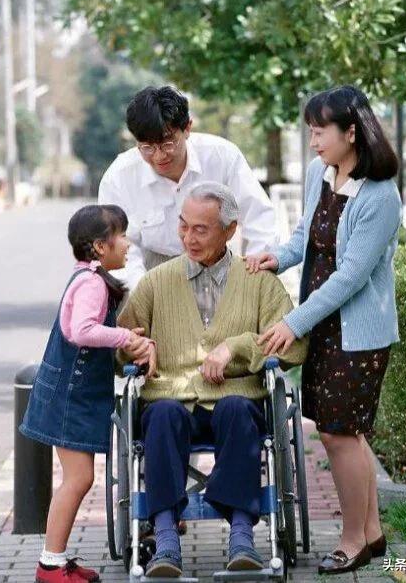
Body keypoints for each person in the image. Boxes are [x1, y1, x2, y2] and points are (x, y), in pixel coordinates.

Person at [245, 85, 402, 575]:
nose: (312, 142)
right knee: (345, 433)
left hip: (357, 333)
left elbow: (352, 275)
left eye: (319, 132)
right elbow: (304, 237)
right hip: (321, 322)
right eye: (309, 132)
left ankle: (353, 537)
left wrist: (293, 322)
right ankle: (373, 532)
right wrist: (279, 256)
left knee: (339, 435)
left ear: (351, 132)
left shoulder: (380, 196)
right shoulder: (321, 173)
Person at [117, 182, 308, 579]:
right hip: (171, 396)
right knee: (164, 414)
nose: (189, 237)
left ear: (230, 230)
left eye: (201, 229)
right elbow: (123, 343)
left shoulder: (258, 280)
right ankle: (166, 538)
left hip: (234, 397)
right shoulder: (156, 281)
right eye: (183, 226)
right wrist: (138, 346)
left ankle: (241, 534)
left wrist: (237, 347)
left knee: (238, 409)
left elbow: (293, 347)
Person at [20, 205, 154, 583]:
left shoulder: (89, 277)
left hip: (71, 395)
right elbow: (82, 331)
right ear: (99, 246)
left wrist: (127, 340)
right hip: (69, 397)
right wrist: (126, 337)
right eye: (122, 235)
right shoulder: (92, 283)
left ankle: (55, 559)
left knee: (77, 478)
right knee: (77, 480)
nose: (127, 243)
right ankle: (50, 565)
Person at [98, 85, 278, 291]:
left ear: (187, 129)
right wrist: (142, 292)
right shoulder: (119, 177)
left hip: (215, 265)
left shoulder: (222, 156)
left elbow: (259, 218)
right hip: (150, 271)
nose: (159, 156)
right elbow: (121, 247)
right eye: (147, 147)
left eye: (167, 143)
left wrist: (252, 274)